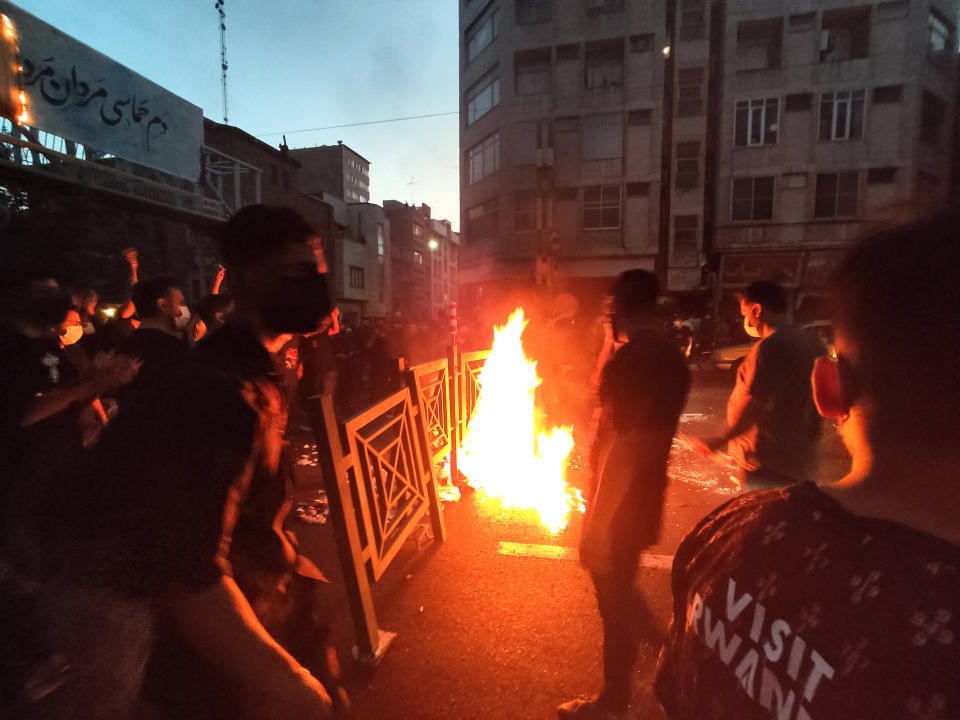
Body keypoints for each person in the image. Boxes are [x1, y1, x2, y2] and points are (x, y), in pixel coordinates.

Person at [655, 210, 960, 720]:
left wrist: (719, 439)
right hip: (798, 460)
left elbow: (674, 694)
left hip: (767, 466)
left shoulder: (728, 539)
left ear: (833, 386)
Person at [559, 269, 691, 720]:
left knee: (612, 605)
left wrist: (596, 523)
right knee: (622, 592)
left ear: (621, 307)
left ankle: (613, 703)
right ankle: (668, 658)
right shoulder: (671, 359)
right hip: (645, 498)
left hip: (616, 504)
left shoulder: (631, 362)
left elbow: (626, 444)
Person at [687, 282, 825, 489]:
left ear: (757, 310)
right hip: (801, 459)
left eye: (745, 313)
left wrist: (719, 440)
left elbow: (757, 405)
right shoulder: (813, 342)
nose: (746, 320)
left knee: (762, 516)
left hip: (767, 461)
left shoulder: (770, 347)